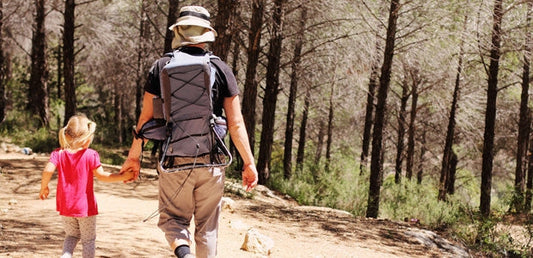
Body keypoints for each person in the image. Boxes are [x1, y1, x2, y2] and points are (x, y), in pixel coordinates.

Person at [120, 5, 258, 258]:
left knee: (173, 220)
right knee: (207, 227)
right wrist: (249, 163)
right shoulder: (222, 69)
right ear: (207, 34)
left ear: (179, 32)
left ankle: (185, 254)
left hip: (174, 159)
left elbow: (145, 120)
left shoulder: (160, 66)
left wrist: (133, 157)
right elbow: (236, 124)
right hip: (212, 160)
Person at [39, 114, 134, 258]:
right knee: (88, 240)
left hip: (65, 206)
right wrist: (123, 176)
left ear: (67, 134)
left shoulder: (58, 153)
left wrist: (44, 187)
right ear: (88, 139)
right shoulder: (91, 155)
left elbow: (47, 170)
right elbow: (102, 176)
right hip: (86, 208)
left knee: (71, 235)